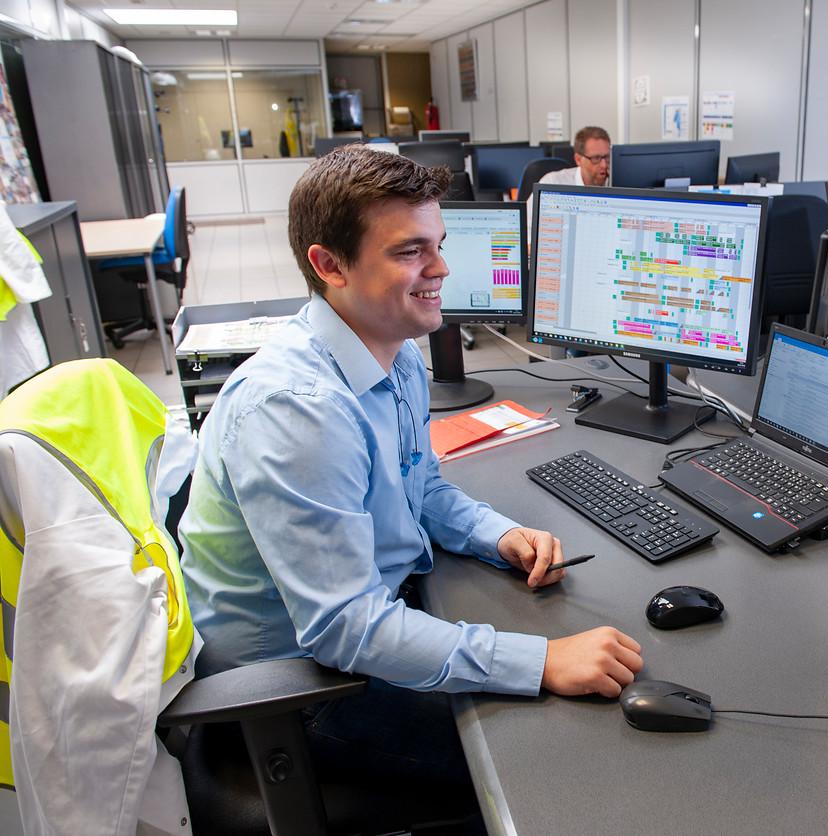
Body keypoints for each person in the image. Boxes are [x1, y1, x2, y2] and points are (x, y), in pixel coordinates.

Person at [178, 146, 643, 826]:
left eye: (439, 244)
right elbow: (346, 628)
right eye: (409, 251)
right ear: (329, 265)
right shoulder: (297, 411)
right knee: (566, 755)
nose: (441, 268)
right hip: (300, 691)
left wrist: (498, 534)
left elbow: (418, 486)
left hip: (364, 623)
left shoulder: (391, 354)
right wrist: (541, 661)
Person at [527, 126, 611, 236]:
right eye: (596, 158)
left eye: (607, 157)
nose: (604, 165)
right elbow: (528, 228)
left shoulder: (620, 185)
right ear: (578, 159)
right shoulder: (553, 183)